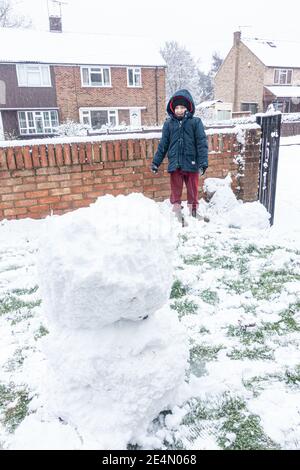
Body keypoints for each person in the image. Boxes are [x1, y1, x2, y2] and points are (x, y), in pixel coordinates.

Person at [151, 89, 208, 224]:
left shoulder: (195, 123)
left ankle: (193, 211)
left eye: (182, 107)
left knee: (192, 190)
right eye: (177, 107)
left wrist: (203, 163)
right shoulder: (169, 124)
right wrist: (156, 162)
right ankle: (177, 211)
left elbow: (201, 143)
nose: (179, 110)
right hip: (175, 164)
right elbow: (163, 145)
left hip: (192, 163)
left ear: (188, 108)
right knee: (175, 190)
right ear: (173, 108)